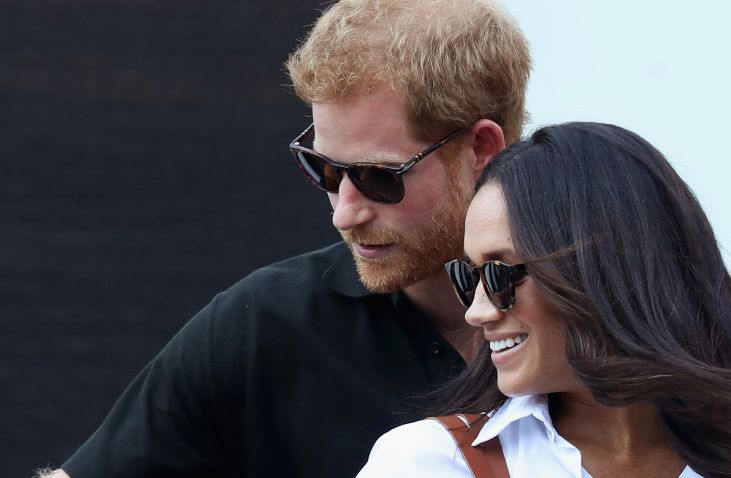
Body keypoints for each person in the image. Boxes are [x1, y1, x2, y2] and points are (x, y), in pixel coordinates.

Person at [41, 0, 530, 477]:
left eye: (379, 177)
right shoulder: (267, 322)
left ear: (481, 148)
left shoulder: (594, 308)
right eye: (323, 170)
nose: (344, 212)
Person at [357, 122, 731, 478]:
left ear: (605, 271)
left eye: (502, 273)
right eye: (471, 276)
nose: (478, 310)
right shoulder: (428, 464)